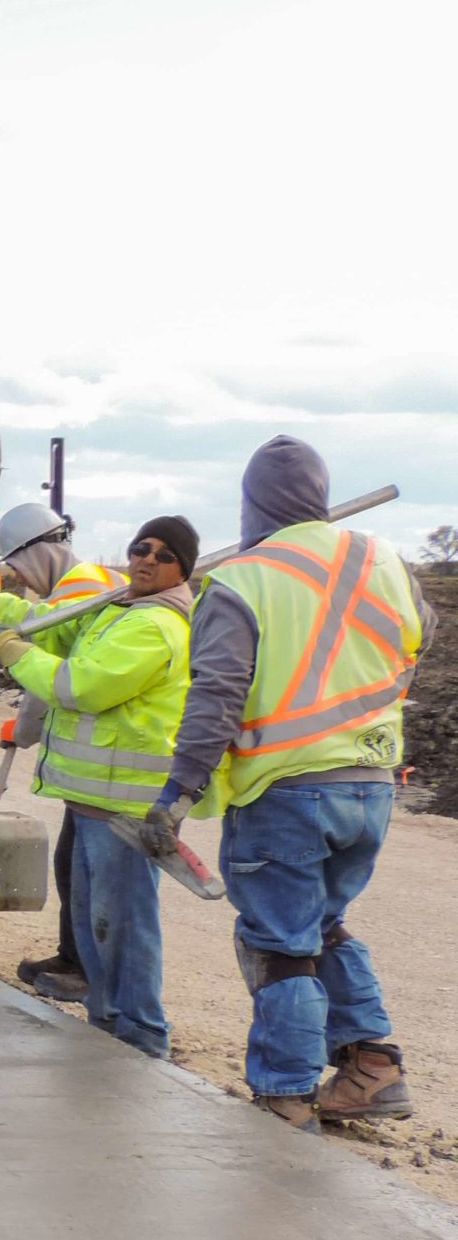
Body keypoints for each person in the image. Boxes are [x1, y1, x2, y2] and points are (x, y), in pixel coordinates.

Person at [145, 437, 431, 1131]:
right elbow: (417, 640)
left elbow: (215, 696)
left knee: (281, 945)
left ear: (251, 504)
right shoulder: (382, 560)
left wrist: (176, 795)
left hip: (286, 790)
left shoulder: (244, 579)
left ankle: (285, 1095)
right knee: (323, 925)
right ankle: (373, 1066)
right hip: (371, 782)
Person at [0, 517, 199, 1058]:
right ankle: (108, 1022)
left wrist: (11, 651)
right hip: (92, 798)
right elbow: (40, 619)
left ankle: (142, 1036)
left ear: (184, 569)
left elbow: (79, 686)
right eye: (140, 547)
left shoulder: (153, 625)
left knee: (124, 925)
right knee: (94, 922)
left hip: (125, 804)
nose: (147, 558)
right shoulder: (120, 606)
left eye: (165, 554)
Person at [0, 502, 117, 1004]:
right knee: (72, 864)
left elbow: (35, 633)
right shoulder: (76, 587)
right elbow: (45, 650)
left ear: (42, 550)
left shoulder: (84, 588)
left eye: (18, 564)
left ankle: (92, 976)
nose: (19, 576)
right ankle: (74, 958)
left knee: (94, 876)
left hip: (112, 765)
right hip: (94, 766)